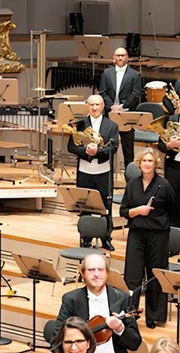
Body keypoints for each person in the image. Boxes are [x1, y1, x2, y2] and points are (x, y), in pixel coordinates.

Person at [54, 252, 142, 353]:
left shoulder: (122, 299)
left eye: (100, 270)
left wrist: (120, 329)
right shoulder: (71, 300)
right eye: (91, 270)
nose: (96, 274)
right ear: (83, 273)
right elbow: (56, 339)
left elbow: (135, 343)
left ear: (107, 273)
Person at [119, 149, 176, 328]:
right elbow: (123, 210)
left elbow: (174, 208)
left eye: (150, 160)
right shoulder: (132, 184)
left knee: (155, 275)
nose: (147, 164)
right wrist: (137, 211)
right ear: (139, 162)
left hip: (158, 235)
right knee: (132, 275)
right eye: (144, 160)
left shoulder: (164, 185)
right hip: (137, 233)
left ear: (155, 163)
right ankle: (130, 313)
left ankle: (153, 316)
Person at [68, 94, 119, 250]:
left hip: (104, 172)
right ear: (87, 107)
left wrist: (97, 152)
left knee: (106, 205)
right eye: (92, 105)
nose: (95, 108)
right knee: (85, 205)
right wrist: (86, 151)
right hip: (85, 171)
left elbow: (113, 147)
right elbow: (71, 146)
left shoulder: (112, 125)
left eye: (97, 104)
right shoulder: (79, 124)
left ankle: (106, 238)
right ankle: (85, 237)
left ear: (103, 106)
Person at [99, 46, 145, 168]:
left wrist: (122, 106)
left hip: (126, 114)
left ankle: (129, 176)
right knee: (106, 147)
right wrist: (112, 107)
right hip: (109, 113)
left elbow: (136, 93)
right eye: (118, 55)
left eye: (123, 55)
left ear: (127, 58)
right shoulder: (106, 73)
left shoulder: (135, 74)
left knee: (128, 149)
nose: (120, 57)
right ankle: (106, 172)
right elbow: (103, 92)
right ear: (114, 58)